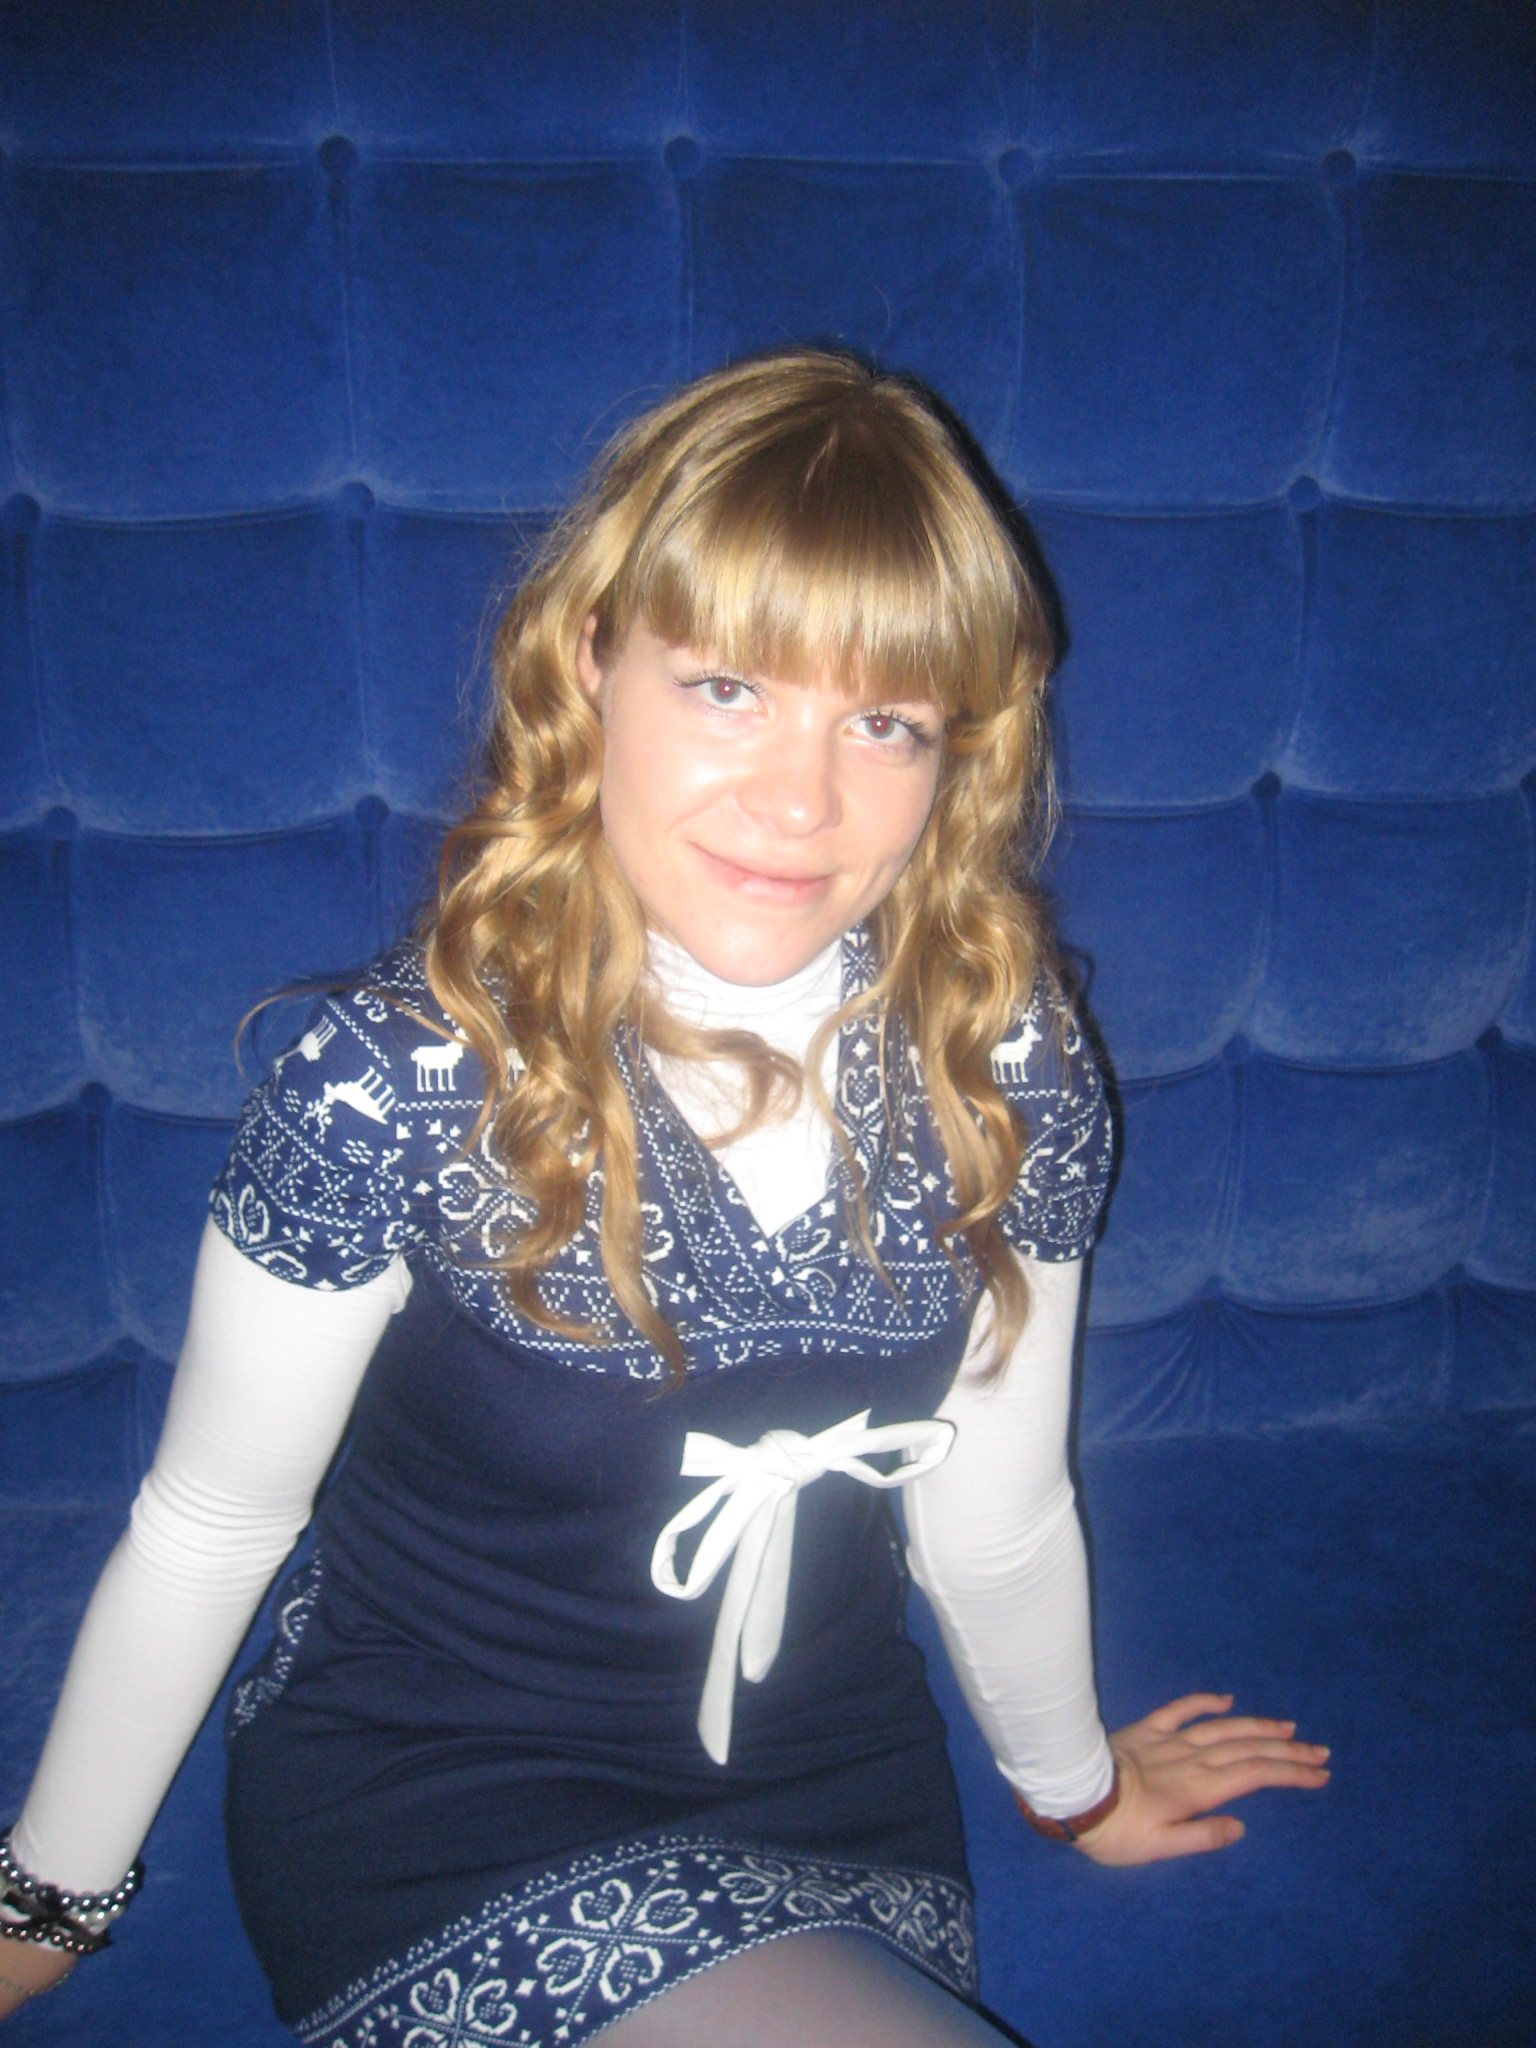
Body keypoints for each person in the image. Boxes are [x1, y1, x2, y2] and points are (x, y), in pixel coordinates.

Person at [0, 350, 1329, 2044]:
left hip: (829, 1770)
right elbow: (213, 1521)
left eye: (884, 721)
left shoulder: (1006, 1059)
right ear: (591, 661)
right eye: (727, 687)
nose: (802, 800)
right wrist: (42, 1906)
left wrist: (1074, 1789)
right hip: (444, 1774)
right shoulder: (394, 1085)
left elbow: (992, 1507)